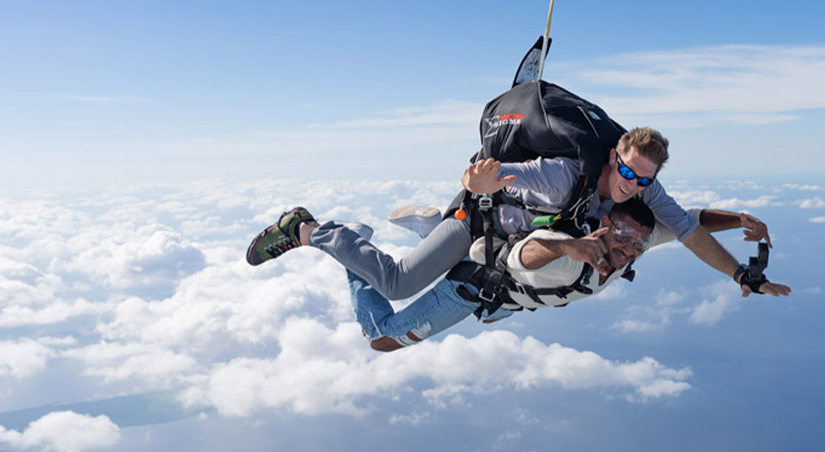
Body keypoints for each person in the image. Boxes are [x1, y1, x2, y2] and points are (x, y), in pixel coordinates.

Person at [246, 127, 790, 299]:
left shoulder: (644, 194)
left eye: (644, 178)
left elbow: (688, 229)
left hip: (519, 246)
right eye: (626, 171)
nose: (632, 185)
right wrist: (475, 182)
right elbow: (495, 178)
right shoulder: (559, 174)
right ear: (612, 156)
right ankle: (311, 229)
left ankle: (421, 220)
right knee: (396, 284)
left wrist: (741, 262)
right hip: (480, 225)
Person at [345, 199, 788, 351]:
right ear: (603, 227)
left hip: (508, 299)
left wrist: (741, 221)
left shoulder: (634, 243)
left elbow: (691, 221)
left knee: (501, 308)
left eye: (637, 244)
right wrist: (567, 245)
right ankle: (353, 245)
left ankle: (439, 233)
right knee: (382, 338)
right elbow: (526, 256)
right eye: (619, 238)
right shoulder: (572, 255)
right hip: (475, 284)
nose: (626, 252)